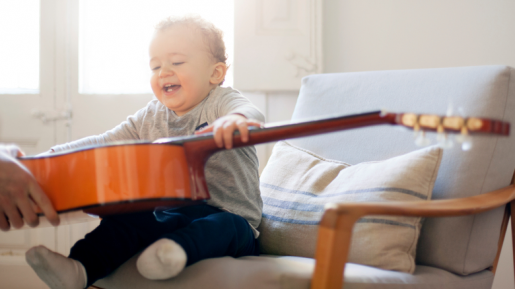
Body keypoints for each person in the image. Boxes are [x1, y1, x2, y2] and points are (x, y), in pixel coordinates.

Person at [13, 15, 265, 289]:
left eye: (177, 62)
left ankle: (170, 253)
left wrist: (235, 119)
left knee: (223, 225)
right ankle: (79, 268)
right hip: (172, 215)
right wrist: (51, 155)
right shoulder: (151, 115)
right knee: (128, 216)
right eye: (155, 66)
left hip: (232, 221)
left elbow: (252, 112)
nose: (164, 72)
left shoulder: (220, 102)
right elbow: (106, 141)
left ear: (215, 73)